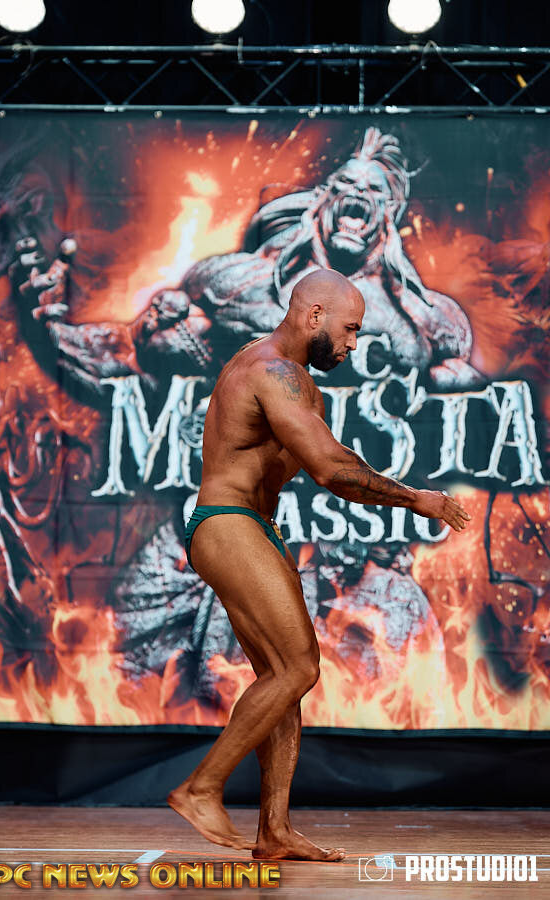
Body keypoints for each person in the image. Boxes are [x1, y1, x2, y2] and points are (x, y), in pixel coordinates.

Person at [168, 267, 471, 861]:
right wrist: (417, 499)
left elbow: (321, 463)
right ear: (314, 316)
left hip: (254, 527)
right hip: (228, 523)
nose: (354, 344)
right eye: (350, 329)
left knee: (282, 681)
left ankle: (274, 830)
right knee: (298, 667)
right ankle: (201, 788)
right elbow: (332, 470)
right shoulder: (271, 371)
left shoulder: (293, 378)